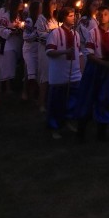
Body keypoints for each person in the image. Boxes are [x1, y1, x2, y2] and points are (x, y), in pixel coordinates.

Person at [76, 7, 109, 141]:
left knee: (105, 98)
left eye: (105, 14)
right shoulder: (93, 32)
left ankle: (102, 130)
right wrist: (104, 64)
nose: (101, 17)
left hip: (107, 69)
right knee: (89, 97)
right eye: (99, 14)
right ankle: (81, 129)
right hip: (95, 68)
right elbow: (90, 54)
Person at [45, 7, 84, 139]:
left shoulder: (76, 34)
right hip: (59, 73)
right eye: (70, 16)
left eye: (74, 15)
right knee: (57, 101)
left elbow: (79, 54)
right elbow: (49, 51)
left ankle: (68, 120)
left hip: (74, 72)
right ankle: (54, 126)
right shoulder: (55, 33)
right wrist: (64, 52)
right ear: (63, 17)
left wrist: (81, 70)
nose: (73, 18)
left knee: (73, 99)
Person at [0, 0, 24, 94]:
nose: (22, 4)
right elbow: (0, 28)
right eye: (20, 2)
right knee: (6, 66)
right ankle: (3, 88)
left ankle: (8, 87)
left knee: (11, 66)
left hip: (14, 43)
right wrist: (11, 32)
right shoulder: (6, 16)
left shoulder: (18, 16)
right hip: (7, 44)